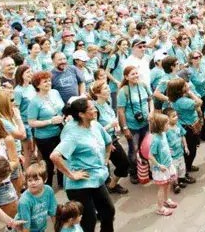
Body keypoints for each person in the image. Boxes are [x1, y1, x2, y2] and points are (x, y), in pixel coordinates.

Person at [50, 98, 115, 232]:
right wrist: (71, 175)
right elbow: (54, 156)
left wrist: (105, 159)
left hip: (97, 178)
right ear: (81, 114)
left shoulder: (96, 125)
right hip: (80, 185)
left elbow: (108, 142)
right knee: (88, 221)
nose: (95, 110)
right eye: (91, 109)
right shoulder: (73, 133)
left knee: (108, 211)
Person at [89, 80, 129, 195]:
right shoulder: (94, 109)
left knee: (124, 164)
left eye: (108, 87)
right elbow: (94, 130)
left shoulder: (107, 103)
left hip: (113, 139)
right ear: (97, 93)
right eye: (105, 88)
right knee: (104, 169)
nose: (109, 90)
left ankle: (112, 185)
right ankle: (105, 190)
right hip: (103, 143)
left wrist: (115, 126)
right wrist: (110, 126)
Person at [28, 71, 65, 188]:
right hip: (45, 137)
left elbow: (62, 108)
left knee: (62, 157)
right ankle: (47, 186)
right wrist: (50, 121)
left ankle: (62, 183)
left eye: (49, 81)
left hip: (60, 132)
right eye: (45, 82)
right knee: (49, 162)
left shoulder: (55, 92)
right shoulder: (34, 102)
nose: (48, 83)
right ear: (37, 85)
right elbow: (31, 122)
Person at [117, 65, 152, 185]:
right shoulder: (123, 91)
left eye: (137, 73)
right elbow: (121, 111)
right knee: (134, 149)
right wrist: (125, 128)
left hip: (145, 123)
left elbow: (150, 99)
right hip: (132, 126)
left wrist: (151, 111)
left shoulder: (143, 85)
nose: (136, 76)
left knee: (146, 148)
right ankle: (133, 172)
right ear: (126, 77)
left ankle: (145, 170)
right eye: (132, 74)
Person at [0, 89, 26, 197]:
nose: (14, 102)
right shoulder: (1, 120)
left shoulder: (5, 118)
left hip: (15, 154)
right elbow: (22, 135)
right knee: (15, 190)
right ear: (4, 102)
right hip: (9, 157)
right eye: (11, 100)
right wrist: (18, 117)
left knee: (19, 185)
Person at [167, 78, 200, 183]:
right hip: (188, 128)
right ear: (180, 90)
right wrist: (190, 92)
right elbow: (199, 102)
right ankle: (183, 174)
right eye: (184, 85)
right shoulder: (183, 101)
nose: (187, 85)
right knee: (190, 151)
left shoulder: (177, 99)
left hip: (186, 126)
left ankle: (187, 167)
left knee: (190, 150)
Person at [148, 113, 178, 216]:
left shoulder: (163, 134)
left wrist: (167, 150)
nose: (168, 126)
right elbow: (150, 156)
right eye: (167, 124)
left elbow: (163, 147)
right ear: (161, 126)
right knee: (162, 187)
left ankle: (167, 200)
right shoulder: (155, 139)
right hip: (161, 169)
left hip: (168, 165)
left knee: (168, 184)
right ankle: (160, 208)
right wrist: (159, 165)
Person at [16, 161, 58, 232]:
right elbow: (26, 226)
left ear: (45, 179)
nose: (33, 183)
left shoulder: (48, 190)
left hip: (41, 228)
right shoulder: (25, 201)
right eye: (30, 180)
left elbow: (53, 212)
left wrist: (57, 230)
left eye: (36, 180)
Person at [14, 65, 36, 169]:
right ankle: (26, 174)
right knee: (28, 151)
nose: (30, 74)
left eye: (31, 72)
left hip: (35, 121)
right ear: (21, 75)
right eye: (27, 72)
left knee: (34, 150)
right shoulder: (18, 90)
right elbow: (16, 109)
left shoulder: (32, 87)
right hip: (25, 123)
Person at [161, 107, 188, 194]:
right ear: (167, 119)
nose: (176, 117)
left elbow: (182, 135)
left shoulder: (178, 125)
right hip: (172, 156)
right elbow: (163, 142)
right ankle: (175, 184)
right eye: (173, 116)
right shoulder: (166, 130)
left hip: (180, 153)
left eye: (176, 115)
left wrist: (186, 146)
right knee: (174, 171)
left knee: (181, 168)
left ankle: (180, 180)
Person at [105, 38, 129, 110]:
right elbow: (107, 72)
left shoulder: (125, 56)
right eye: (123, 45)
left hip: (124, 86)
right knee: (115, 107)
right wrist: (116, 81)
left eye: (126, 45)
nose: (126, 46)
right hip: (114, 87)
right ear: (118, 46)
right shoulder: (114, 57)